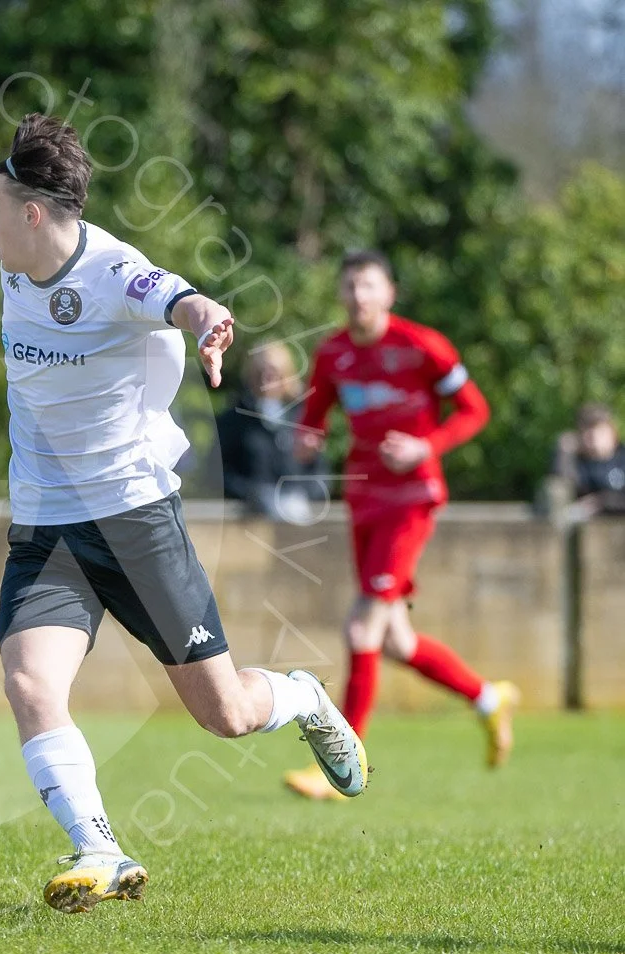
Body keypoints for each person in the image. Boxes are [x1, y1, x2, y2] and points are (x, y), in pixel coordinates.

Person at [0, 114, 367, 914]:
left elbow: (182, 299)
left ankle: (302, 696)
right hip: (48, 527)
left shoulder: (114, 270)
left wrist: (210, 325)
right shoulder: (16, 264)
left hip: (133, 521)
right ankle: (99, 848)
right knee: (28, 681)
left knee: (222, 713)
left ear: (32, 215)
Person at [286, 250, 518, 800]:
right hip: (364, 501)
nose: (358, 296)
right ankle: (488, 699)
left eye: (369, 286)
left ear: (389, 293)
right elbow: (313, 418)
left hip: (413, 500)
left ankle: (343, 764)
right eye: (349, 287)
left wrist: (425, 446)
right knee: (394, 640)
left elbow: (474, 410)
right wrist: (306, 438)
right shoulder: (334, 353)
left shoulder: (423, 346)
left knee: (361, 628)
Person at [215, 341, 323, 521]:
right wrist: (254, 494)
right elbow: (219, 472)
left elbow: (320, 470)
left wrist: (303, 494)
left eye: (274, 374)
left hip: (299, 518)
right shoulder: (234, 420)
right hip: (247, 519)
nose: (266, 379)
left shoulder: (302, 417)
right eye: (260, 374)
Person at [544, 403, 625, 517]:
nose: (594, 438)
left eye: (599, 431)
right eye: (587, 432)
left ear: (612, 432)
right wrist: (564, 452)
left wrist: (602, 502)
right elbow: (561, 486)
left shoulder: (622, 458)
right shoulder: (577, 463)